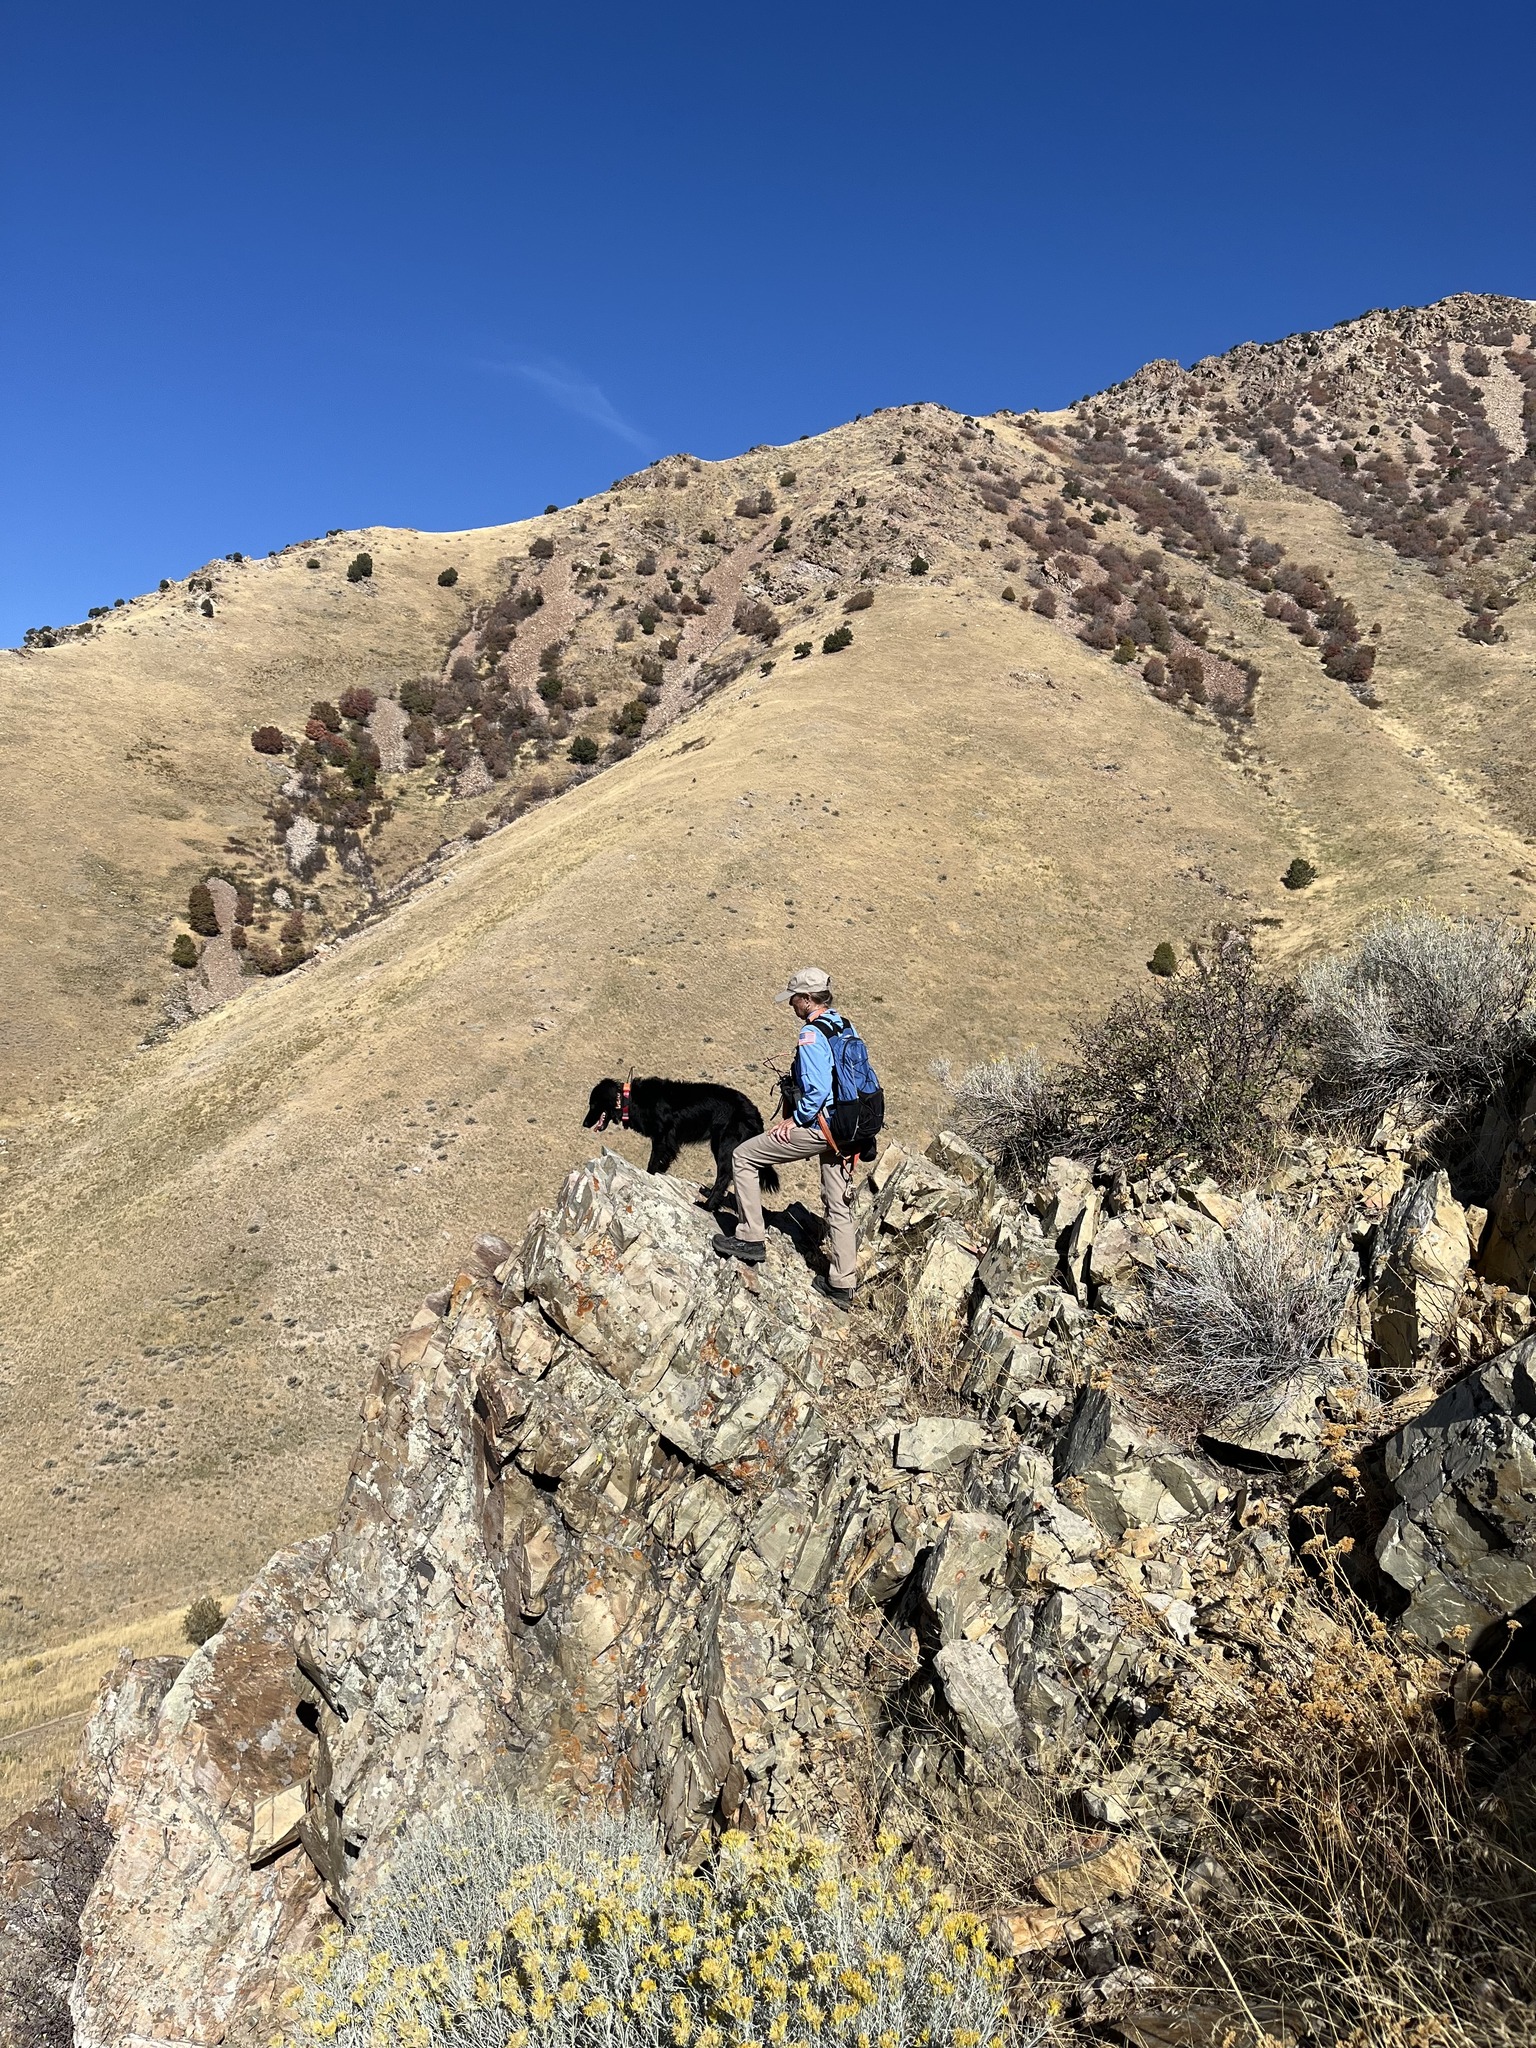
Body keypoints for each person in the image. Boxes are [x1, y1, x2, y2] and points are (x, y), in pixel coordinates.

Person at [713, 967, 858, 1311]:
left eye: (794, 998)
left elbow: (819, 1089)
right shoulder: (843, 1024)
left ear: (808, 1000)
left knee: (744, 1157)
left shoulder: (811, 1034)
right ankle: (842, 1284)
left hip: (820, 1127)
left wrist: (795, 1119)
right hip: (846, 1127)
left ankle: (750, 1238)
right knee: (838, 1203)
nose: (791, 1004)